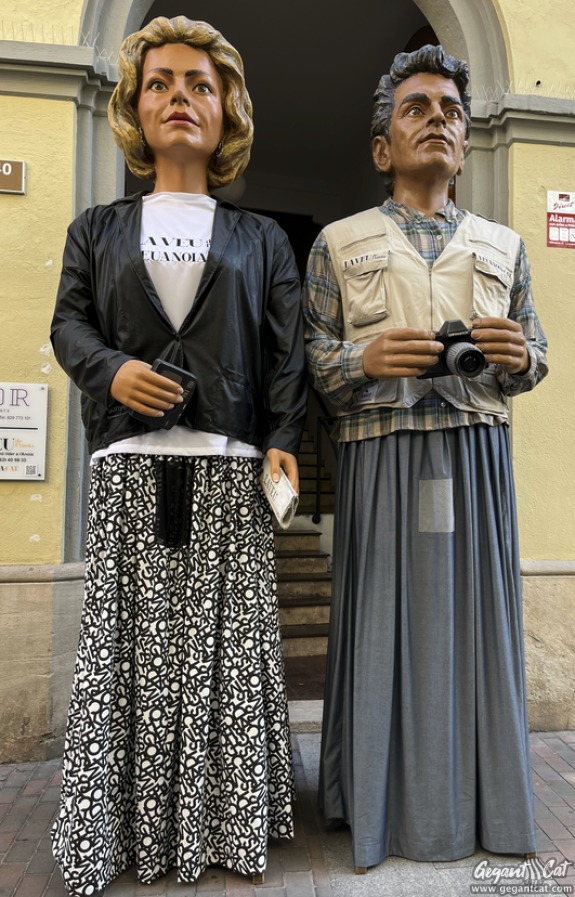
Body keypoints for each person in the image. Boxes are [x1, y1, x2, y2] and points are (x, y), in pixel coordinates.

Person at [50, 16, 307, 894]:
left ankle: (222, 824)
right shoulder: (95, 228)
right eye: (159, 83)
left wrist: (283, 440)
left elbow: (286, 354)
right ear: (135, 105)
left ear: (226, 108)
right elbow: (68, 324)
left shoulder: (261, 238)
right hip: (129, 469)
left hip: (232, 468)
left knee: (222, 658)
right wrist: (111, 370)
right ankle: (118, 828)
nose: (179, 98)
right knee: (129, 654)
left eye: (199, 84)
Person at [302, 44, 548, 872]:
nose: (436, 119)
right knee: (378, 629)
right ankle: (374, 806)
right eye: (416, 108)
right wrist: (362, 359)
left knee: (480, 630)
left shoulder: (504, 245)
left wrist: (517, 355)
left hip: (477, 459)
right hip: (378, 456)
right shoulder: (337, 242)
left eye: (449, 110)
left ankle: (486, 806)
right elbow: (309, 359)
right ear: (382, 147)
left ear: (465, 144)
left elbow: (537, 357)